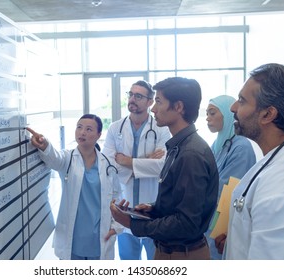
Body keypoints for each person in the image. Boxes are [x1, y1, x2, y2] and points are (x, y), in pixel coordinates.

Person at [110, 77, 219, 260]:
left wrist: (131, 223)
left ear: (178, 107)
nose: (153, 109)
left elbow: (186, 223)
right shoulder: (178, 147)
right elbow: (182, 204)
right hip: (170, 250)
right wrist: (155, 209)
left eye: (158, 102)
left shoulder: (191, 154)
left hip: (183, 255)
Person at [222, 63, 284, 259]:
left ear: (268, 114)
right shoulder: (281, 154)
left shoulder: (283, 194)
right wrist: (238, 239)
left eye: (242, 101)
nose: (233, 107)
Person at [26, 114, 123, 260]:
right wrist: (44, 144)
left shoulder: (108, 165)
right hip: (73, 237)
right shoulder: (68, 159)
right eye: (79, 127)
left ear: (98, 135)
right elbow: (54, 159)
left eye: (89, 129)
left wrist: (115, 227)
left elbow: (117, 197)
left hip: (99, 235)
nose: (82, 132)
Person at [102, 80, 171, 260]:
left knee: (155, 259)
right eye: (131, 94)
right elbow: (107, 165)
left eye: (138, 96)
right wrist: (145, 162)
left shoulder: (162, 128)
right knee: (128, 260)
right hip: (125, 205)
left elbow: (163, 166)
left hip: (152, 207)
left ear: (150, 102)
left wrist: (127, 161)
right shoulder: (115, 128)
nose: (132, 99)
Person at [204, 95, 256, 260]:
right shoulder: (217, 144)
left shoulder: (241, 147)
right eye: (207, 114)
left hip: (223, 221)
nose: (207, 118)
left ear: (227, 114)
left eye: (212, 113)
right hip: (209, 216)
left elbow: (226, 188)